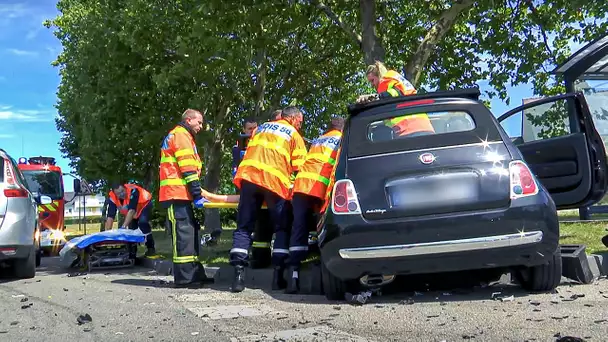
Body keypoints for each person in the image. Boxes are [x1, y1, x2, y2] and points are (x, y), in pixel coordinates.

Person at [230, 106, 307, 293]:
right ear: (293, 119)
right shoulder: (293, 135)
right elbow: (300, 168)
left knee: (244, 228)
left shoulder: (261, 128)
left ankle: (238, 277)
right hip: (274, 182)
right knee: (281, 228)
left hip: (249, 178)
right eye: (300, 121)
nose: (300, 125)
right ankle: (278, 276)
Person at [159, 108, 234, 287]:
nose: (201, 126)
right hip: (176, 194)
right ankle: (185, 278)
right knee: (183, 235)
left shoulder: (183, 136)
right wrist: (196, 192)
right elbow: (187, 167)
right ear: (189, 120)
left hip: (181, 194)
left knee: (190, 232)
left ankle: (194, 272)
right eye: (199, 122)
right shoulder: (181, 135)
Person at [285, 117, 344, 294]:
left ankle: (293, 274)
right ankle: (324, 268)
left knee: (299, 228)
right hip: (319, 187)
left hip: (301, 186)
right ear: (342, 128)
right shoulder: (342, 139)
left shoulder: (318, 140)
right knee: (322, 227)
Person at [362, 61, 435, 138]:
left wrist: (372, 98)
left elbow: (393, 93)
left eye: (372, 80)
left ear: (379, 75)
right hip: (425, 127)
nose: (372, 85)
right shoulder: (397, 79)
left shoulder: (385, 81)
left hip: (408, 129)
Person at [105, 182, 156, 257]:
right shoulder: (112, 198)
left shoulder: (133, 191)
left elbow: (132, 210)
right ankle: (132, 253)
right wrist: (107, 234)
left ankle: (150, 248)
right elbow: (110, 216)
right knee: (132, 230)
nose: (122, 194)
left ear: (125, 188)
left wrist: (123, 227)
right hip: (133, 211)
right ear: (115, 194)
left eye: (122, 191)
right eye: (118, 193)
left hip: (144, 205)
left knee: (143, 223)